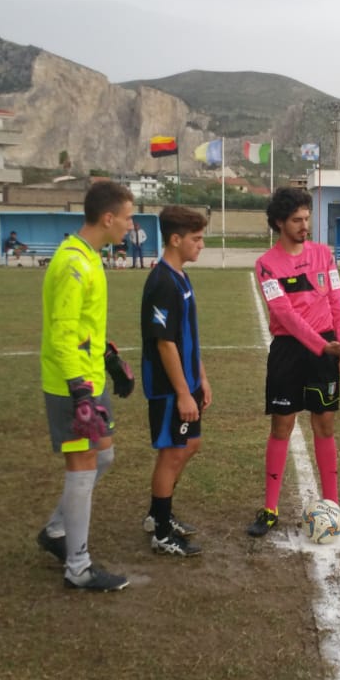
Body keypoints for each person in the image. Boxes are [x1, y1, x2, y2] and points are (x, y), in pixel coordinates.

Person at [35, 181, 134, 591]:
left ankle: (56, 530)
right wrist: (79, 390)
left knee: (103, 456)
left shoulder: (91, 257)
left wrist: (108, 358)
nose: (130, 226)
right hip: (70, 384)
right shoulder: (72, 263)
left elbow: (83, 326)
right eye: (127, 218)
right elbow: (62, 334)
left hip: (89, 376)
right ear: (108, 218)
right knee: (82, 466)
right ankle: (77, 567)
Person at [247, 188, 340, 537]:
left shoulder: (323, 254)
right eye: (297, 220)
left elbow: (338, 301)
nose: (304, 225)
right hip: (289, 350)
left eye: (307, 218)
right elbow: (284, 314)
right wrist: (323, 347)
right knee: (281, 426)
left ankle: (334, 505)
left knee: (325, 424)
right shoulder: (266, 264)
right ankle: (270, 509)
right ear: (279, 222)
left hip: (326, 347)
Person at [140, 206, 211, 557]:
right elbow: (165, 343)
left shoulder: (181, 276)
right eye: (196, 239)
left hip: (187, 382)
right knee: (172, 453)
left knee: (189, 445)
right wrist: (183, 393)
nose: (201, 245)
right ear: (175, 239)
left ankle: (159, 514)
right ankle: (162, 532)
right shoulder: (163, 282)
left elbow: (186, 336)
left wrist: (201, 378)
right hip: (169, 387)